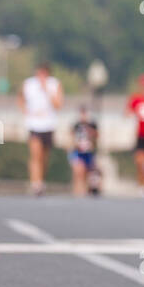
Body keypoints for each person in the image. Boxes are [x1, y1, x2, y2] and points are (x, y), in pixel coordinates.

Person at [20, 62, 63, 197]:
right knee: (35, 154)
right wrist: (25, 111)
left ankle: (41, 179)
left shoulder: (54, 84)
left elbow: (58, 105)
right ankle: (36, 184)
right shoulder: (28, 84)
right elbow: (20, 98)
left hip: (48, 124)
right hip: (34, 124)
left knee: (44, 157)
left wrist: (47, 90)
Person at [69, 104, 100, 197]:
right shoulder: (76, 125)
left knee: (89, 173)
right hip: (78, 152)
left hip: (89, 153)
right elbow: (71, 138)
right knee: (79, 172)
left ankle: (86, 192)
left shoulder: (92, 125)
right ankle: (78, 192)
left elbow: (97, 137)